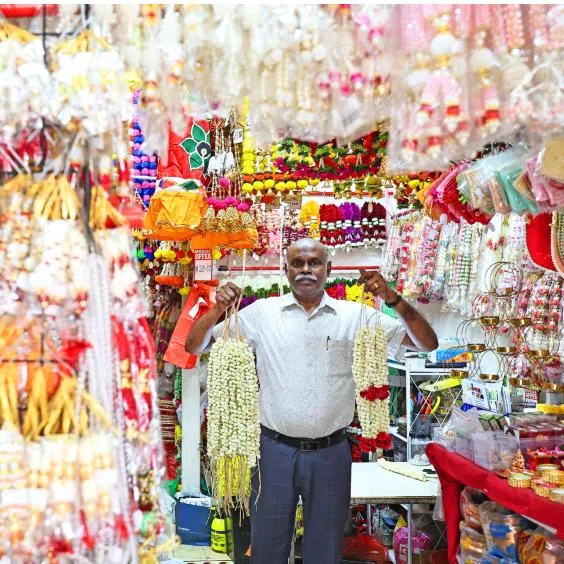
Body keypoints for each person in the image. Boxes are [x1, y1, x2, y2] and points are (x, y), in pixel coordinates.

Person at [186, 238, 438, 564]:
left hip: (331, 453)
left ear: (328, 269)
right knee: (267, 549)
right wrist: (218, 308)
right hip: (273, 452)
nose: (306, 270)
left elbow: (427, 344)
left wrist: (394, 299)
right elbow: (193, 346)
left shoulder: (356, 316)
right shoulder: (261, 314)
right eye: (298, 263)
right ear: (285, 269)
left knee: (325, 550)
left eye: (314, 263)